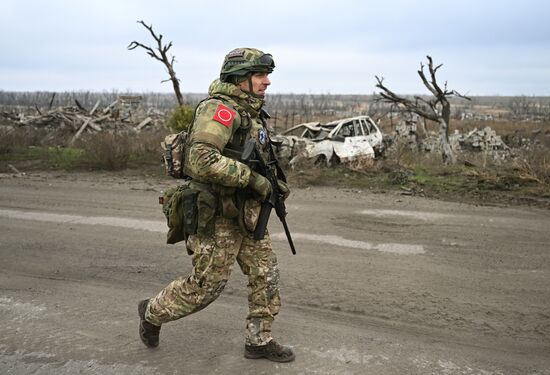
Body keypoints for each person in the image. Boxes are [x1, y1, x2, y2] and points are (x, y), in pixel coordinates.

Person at [138, 48, 295, 363]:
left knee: (266, 274)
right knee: (205, 288)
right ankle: (152, 312)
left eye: (267, 76)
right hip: (218, 214)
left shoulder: (250, 112)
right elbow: (201, 160)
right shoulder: (220, 110)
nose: (267, 82)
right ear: (240, 79)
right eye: (260, 75)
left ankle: (259, 341)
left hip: (248, 214)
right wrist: (253, 180)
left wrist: (273, 183)